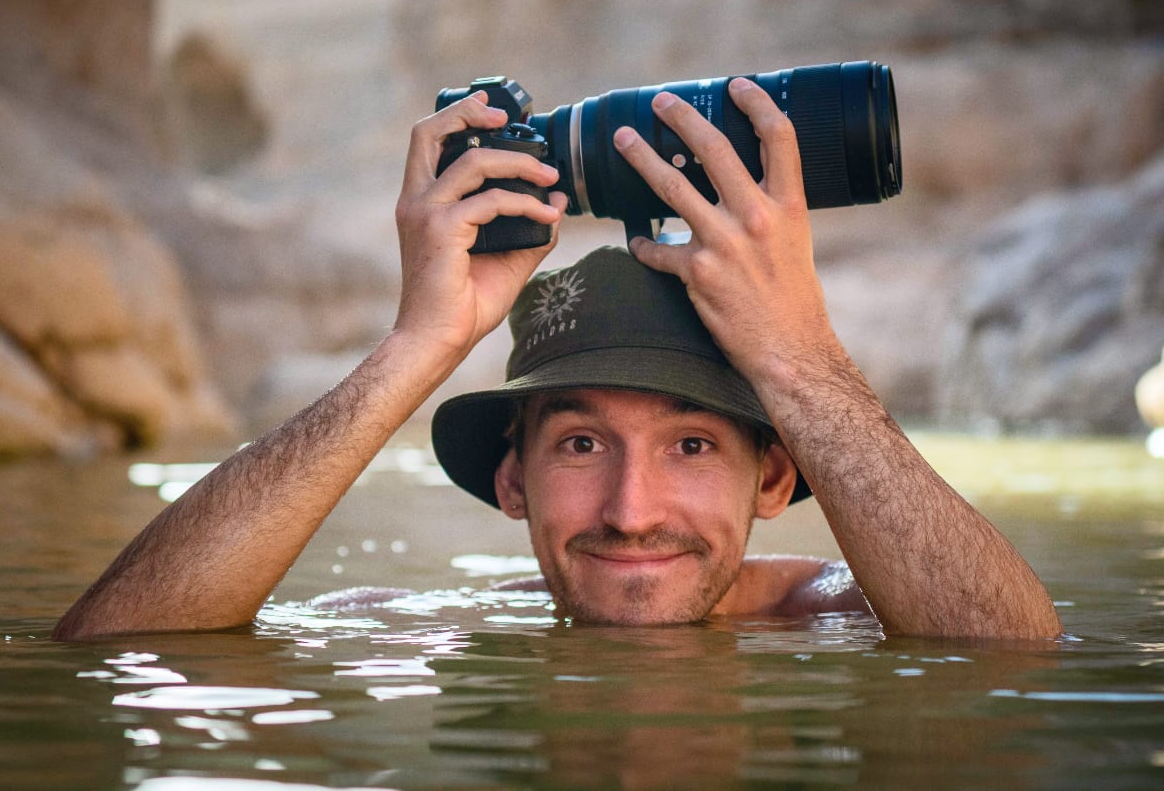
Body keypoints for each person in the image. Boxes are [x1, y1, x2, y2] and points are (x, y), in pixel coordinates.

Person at [52, 78, 1062, 642]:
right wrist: (419, 345)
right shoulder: (435, 624)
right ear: (509, 479)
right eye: (580, 442)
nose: (630, 510)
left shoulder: (831, 614)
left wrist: (797, 361)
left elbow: (1010, 661)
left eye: (692, 446)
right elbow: (117, 650)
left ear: (773, 475)